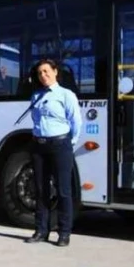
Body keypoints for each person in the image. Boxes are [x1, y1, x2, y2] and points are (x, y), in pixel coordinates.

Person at [25, 59, 83, 246]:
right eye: (40, 73)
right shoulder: (36, 96)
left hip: (60, 145)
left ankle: (64, 233)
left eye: (46, 71)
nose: (43, 75)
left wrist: (68, 142)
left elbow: (76, 122)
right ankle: (41, 230)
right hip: (39, 146)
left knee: (63, 190)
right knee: (41, 190)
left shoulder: (66, 95)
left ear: (55, 72)